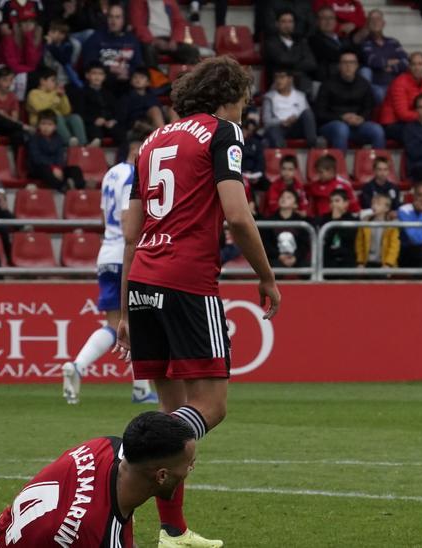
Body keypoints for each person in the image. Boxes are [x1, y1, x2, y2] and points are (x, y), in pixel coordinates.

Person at [115, 57, 280, 548]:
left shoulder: (151, 141)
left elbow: (131, 232)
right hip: (187, 280)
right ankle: (123, 454)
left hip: (144, 278)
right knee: (210, 407)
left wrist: (125, 308)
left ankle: (173, 531)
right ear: (229, 97)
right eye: (245, 102)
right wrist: (267, 277)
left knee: (173, 415)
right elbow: (237, 215)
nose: (245, 113)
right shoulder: (221, 132)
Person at [0, 412, 197, 547]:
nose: (191, 468)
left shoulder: (107, 446)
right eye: (188, 463)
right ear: (162, 475)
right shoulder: (96, 535)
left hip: (7, 532)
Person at [63, 132, 155, 405]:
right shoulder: (132, 175)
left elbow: (106, 215)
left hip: (106, 252)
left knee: (117, 324)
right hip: (126, 254)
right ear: (137, 147)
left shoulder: (111, 174)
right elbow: (129, 217)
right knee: (141, 320)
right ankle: (140, 388)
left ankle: (79, 366)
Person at [315, 52, 386, 150]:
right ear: (339, 66)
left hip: (356, 125)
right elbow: (320, 113)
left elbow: (368, 107)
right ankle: (340, 165)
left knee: (377, 130)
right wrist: (341, 118)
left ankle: (378, 164)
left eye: (352, 62)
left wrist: (361, 118)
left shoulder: (364, 84)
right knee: (341, 128)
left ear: (357, 66)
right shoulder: (327, 84)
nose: (348, 66)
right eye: (344, 62)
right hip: (332, 125)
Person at [82, 4, 146, 90]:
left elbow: (138, 65)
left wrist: (128, 72)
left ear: (124, 20)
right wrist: (110, 69)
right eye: (110, 17)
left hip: (127, 82)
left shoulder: (132, 40)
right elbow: (89, 63)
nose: (113, 21)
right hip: (103, 83)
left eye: (117, 17)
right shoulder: (96, 38)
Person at [380, 52, 422, 141]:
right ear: (409, 66)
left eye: (420, 64)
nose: (417, 68)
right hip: (393, 124)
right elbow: (402, 114)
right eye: (414, 64)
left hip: (414, 122)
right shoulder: (400, 82)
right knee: (421, 132)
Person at [262, 9, 318, 96]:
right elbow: (283, 60)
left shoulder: (301, 42)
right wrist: (300, 58)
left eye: (290, 22)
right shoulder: (271, 42)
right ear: (277, 24)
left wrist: (291, 65)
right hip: (278, 82)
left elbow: (311, 63)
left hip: (301, 82)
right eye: (283, 21)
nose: (287, 25)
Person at [28, 112, 87, 192]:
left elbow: (60, 156)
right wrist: (52, 168)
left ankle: (80, 188)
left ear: (55, 127)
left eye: (50, 124)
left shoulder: (58, 138)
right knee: (45, 171)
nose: (46, 127)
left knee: (75, 169)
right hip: (39, 169)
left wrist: (58, 168)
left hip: (57, 168)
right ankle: (64, 188)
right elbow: (37, 158)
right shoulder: (34, 139)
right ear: (38, 125)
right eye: (43, 124)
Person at [359, 10, 410, 103]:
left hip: (394, 84)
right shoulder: (365, 43)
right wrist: (390, 62)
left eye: (378, 19)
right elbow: (372, 61)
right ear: (367, 24)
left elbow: (406, 61)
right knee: (382, 95)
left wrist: (393, 67)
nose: (375, 22)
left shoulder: (393, 42)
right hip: (376, 85)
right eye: (372, 19)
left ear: (383, 23)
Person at [130, 0, 200, 66]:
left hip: (170, 39)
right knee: (149, 50)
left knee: (192, 51)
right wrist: (153, 41)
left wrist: (175, 40)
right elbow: (138, 25)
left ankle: (191, 77)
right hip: (150, 40)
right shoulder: (138, 2)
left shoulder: (170, 1)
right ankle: (156, 77)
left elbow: (179, 22)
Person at [27, 70, 87, 146]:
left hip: (59, 121)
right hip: (41, 121)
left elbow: (66, 111)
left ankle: (83, 144)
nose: (55, 83)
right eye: (53, 80)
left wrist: (63, 96)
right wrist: (54, 96)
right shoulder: (33, 93)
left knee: (75, 117)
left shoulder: (55, 93)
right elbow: (40, 109)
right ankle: (68, 142)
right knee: (57, 117)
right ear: (42, 81)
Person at [261, 69, 318, 148]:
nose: (278, 80)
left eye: (282, 77)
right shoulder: (269, 97)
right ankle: (282, 154)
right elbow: (267, 122)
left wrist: (294, 119)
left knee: (308, 113)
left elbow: (308, 118)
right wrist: (282, 122)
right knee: (272, 131)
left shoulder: (300, 96)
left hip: (297, 127)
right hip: (279, 128)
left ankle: (313, 147)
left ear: (290, 79)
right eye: (276, 77)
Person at [71, 62, 120, 148]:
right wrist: (94, 120)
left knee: (118, 130)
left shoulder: (108, 93)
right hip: (90, 123)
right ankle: (92, 146)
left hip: (107, 123)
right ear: (87, 75)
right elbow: (79, 113)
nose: (97, 77)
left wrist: (111, 120)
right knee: (94, 130)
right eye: (94, 73)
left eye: (100, 74)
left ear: (104, 77)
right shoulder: (81, 92)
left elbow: (115, 110)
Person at [262, 188, 313, 268]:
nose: (284, 199)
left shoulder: (301, 222)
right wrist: (279, 256)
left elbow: (304, 245)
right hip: (276, 258)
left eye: (288, 197)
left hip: (296, 258)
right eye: (282, 197)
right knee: (274, 268)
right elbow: (267, 244)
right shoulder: (269, 221)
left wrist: (295, 257)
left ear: (295, 205)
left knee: (306, 267)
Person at [356, 193, 400, 268]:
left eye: (378, 204)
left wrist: (388, 264)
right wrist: (360, 262)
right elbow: (359, 244)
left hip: (384, 263)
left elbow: (394, 246)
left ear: (387, 208)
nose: (374, 206)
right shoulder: (364, 223)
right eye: (373, 203)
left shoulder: (392, 225)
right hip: (367, 262)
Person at [319, 189, 358, 268]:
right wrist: (334, 220)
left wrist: (337, 220)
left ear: (346, 203)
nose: (333, 204)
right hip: (328, 260)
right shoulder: (324, 219)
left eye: (337, 201)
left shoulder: (353, 219)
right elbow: (326, 239)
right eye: (331, 201)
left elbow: (348, 238)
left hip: (347, 260)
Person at [308, 7, 347, 82]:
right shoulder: (313, 40)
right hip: (326, 81)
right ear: (317, 22)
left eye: (331, 18)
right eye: (324, 18)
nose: (328, 21)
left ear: (336, 21)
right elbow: (330, 55)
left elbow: (358, 55)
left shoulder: (344, 39)